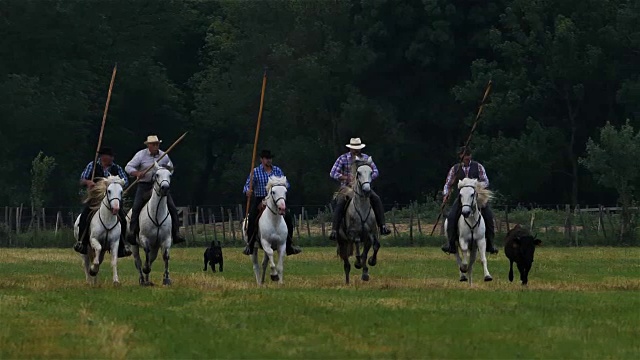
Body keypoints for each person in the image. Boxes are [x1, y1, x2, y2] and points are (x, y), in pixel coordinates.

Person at [125, 135, 185, 245]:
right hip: (144, 185)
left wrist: (165, 173)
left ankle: (176, 233)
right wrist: (137, 173)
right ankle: (132, 232)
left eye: (157, 144)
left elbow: (170, 169)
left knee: (172, 207)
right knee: (136, 207)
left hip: (160, 186)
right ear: (148, 145)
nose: (156, 146)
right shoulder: (140, 155)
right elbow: (128, 167)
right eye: (153, 144)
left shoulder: (164, 156)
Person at [328, 137, 391, 240]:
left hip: (363, 186)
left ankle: (382, 226)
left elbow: (375, 171)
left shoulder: (366, 158)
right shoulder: (343, 158)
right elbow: (333, 173)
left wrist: (367, 178)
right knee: (340, 202)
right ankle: (334, 230)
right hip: (347, 187)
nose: (356, 150)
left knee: (376, 199)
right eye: (354, 148)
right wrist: (346, 177)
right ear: (350, 148)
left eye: (357, 148)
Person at [73, 146, 132, 257]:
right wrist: (88, 182)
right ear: (103, 156)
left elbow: (126, 182)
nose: (111, 158)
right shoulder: (93, 165)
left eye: (112, 157)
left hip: (112, 199)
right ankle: (82, 242)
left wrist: (118, 184)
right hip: (95, 198)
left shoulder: (116, 168)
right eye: (110, 156)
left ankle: (122, 246)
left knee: (123, 220)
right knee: (85, 216)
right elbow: (82, 179)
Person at [242, 149, 302, 256]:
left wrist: (283, 186)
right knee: (251, 219)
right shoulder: (255, 171)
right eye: (266, 158)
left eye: (270, 158)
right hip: (260, 199)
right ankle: (250, 245)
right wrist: (248, 191)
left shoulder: (277, 170)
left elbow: (286, 183)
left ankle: (289, 245)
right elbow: (247, 184)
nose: (269, 160)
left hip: (275, 200)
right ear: (261, 159)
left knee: (288, 217)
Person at [441, 146, 498, 254]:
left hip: (476, 198)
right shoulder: (455, 169)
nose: (467, 157)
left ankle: (490, 244)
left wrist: (475, 185)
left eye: (468, 155)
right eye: (465, 155)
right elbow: (447, 184)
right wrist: (445, 194)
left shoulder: (478, 167)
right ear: (460, 156)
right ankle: (451, 243)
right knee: (452, 216)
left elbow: (486, 181)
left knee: (489, 216)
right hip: (461, 198)